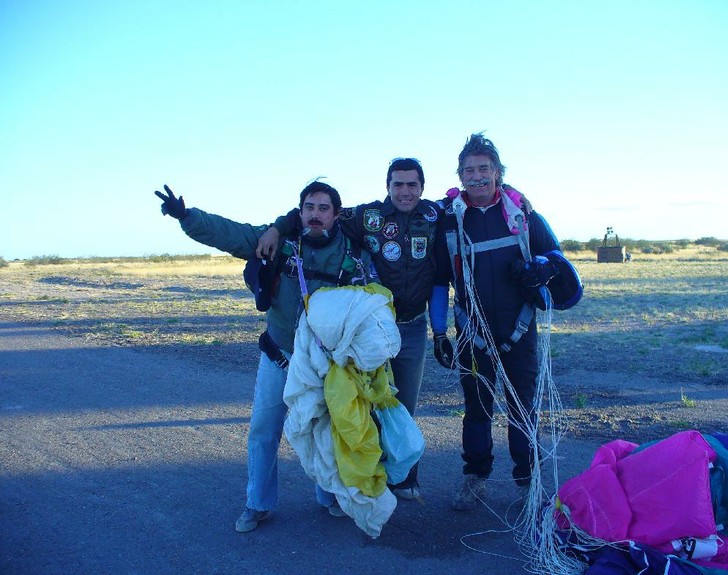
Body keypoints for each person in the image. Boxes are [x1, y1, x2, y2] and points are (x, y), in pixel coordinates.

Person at [154, 180, 377, 531]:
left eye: (323, 209)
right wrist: (187, 216)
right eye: (309, 207)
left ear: (336, 215)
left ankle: (330, 495)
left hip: (327, 364)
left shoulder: (354, 256)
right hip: (280, 355)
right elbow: (231, 234)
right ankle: (258, 503)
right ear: (299, 212)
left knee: (328, 429)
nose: (315, 215)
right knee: (263, 430)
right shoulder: (279, 243)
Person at [256, 158, 451, 501]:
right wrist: (277, 227)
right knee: (367, 403)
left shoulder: (437, 215)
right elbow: (315, 216)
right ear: (387, 186)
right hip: (368, 330)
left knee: (403, 404)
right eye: (398, 184)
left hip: (413, 328)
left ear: (422, 187)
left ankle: (403, 478)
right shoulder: (366, 217)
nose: (405, 191)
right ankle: (367, 478)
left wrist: (440, 331)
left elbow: (471, 205)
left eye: (412, 184)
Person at [431, 133, 581, 511]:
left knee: (523, 407)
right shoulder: (448, 220)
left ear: (498, 172)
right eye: (470, 170)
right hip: (472, 333)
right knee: (477, 408)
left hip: (520, 328)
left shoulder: (522, 214)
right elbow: (437, 280)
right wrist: (438, 332)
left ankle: (528, 483)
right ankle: (475, 479)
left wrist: (542, 268)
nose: (477, 176)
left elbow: (556, 258)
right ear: (460, 175)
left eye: (485, 169)